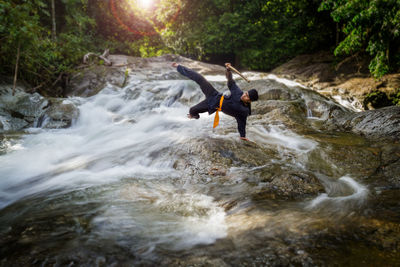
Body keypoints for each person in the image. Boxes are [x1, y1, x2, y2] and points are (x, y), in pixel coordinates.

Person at [172, 62, 258, 141]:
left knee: (192, 110)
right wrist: (228, 70)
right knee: (200, 78)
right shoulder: (239, 92)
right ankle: (179, 67)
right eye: (246, 93)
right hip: (214, 94)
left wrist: (243, 136)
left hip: (212, 105)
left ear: (250, 101)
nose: (244, 95)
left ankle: (195, 115)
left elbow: (242, 124)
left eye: (247, 96)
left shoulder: (243, 111)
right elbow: (231, 81)